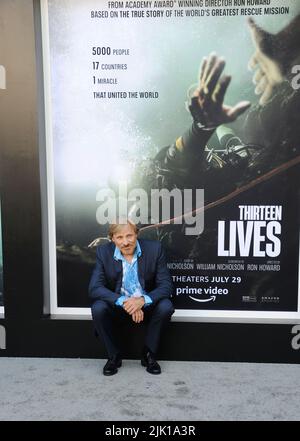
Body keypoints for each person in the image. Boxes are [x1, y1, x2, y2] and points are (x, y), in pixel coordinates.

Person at [89, 219, 174, 376]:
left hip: (146, 306)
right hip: (119, 306)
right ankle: (114, 356)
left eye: (129, 236)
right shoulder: (103, 252)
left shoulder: (155, 249)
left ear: (137, 234)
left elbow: (166, 286)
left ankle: (148, 354)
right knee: (98, 308)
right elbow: (95, 288)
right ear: (112, 238)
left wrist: (142, 301)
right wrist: (125, 302)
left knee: (166, 306)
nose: (125, 242)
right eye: (119, 237)